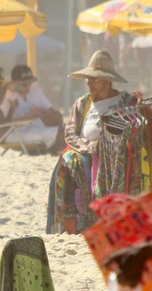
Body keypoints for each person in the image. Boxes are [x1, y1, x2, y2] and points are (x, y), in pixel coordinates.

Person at [46, 49, 150, 234]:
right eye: (88, 78)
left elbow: (138, 128)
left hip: (119, 155)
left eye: (95, 79)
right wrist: (91, 147)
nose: (89, 82)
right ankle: (76, 224)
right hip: (88, 153)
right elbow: (70, 133)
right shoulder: (82, 103)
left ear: (108, 80)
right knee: (69, 162)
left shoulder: (127, 101)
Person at [0, 64, 66, 154]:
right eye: (24, 84)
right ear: (14, 83)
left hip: (35, 125)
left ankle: (58, 150)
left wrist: (43, 112)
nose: (28, 87)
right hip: (18, 132)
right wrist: (30, 115)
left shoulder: (34, 90)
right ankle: (59, 151)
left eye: (30, 83)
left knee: (59, 118)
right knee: (59, 132)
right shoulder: (7, 98)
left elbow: (50, 109)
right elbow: (5, 124)